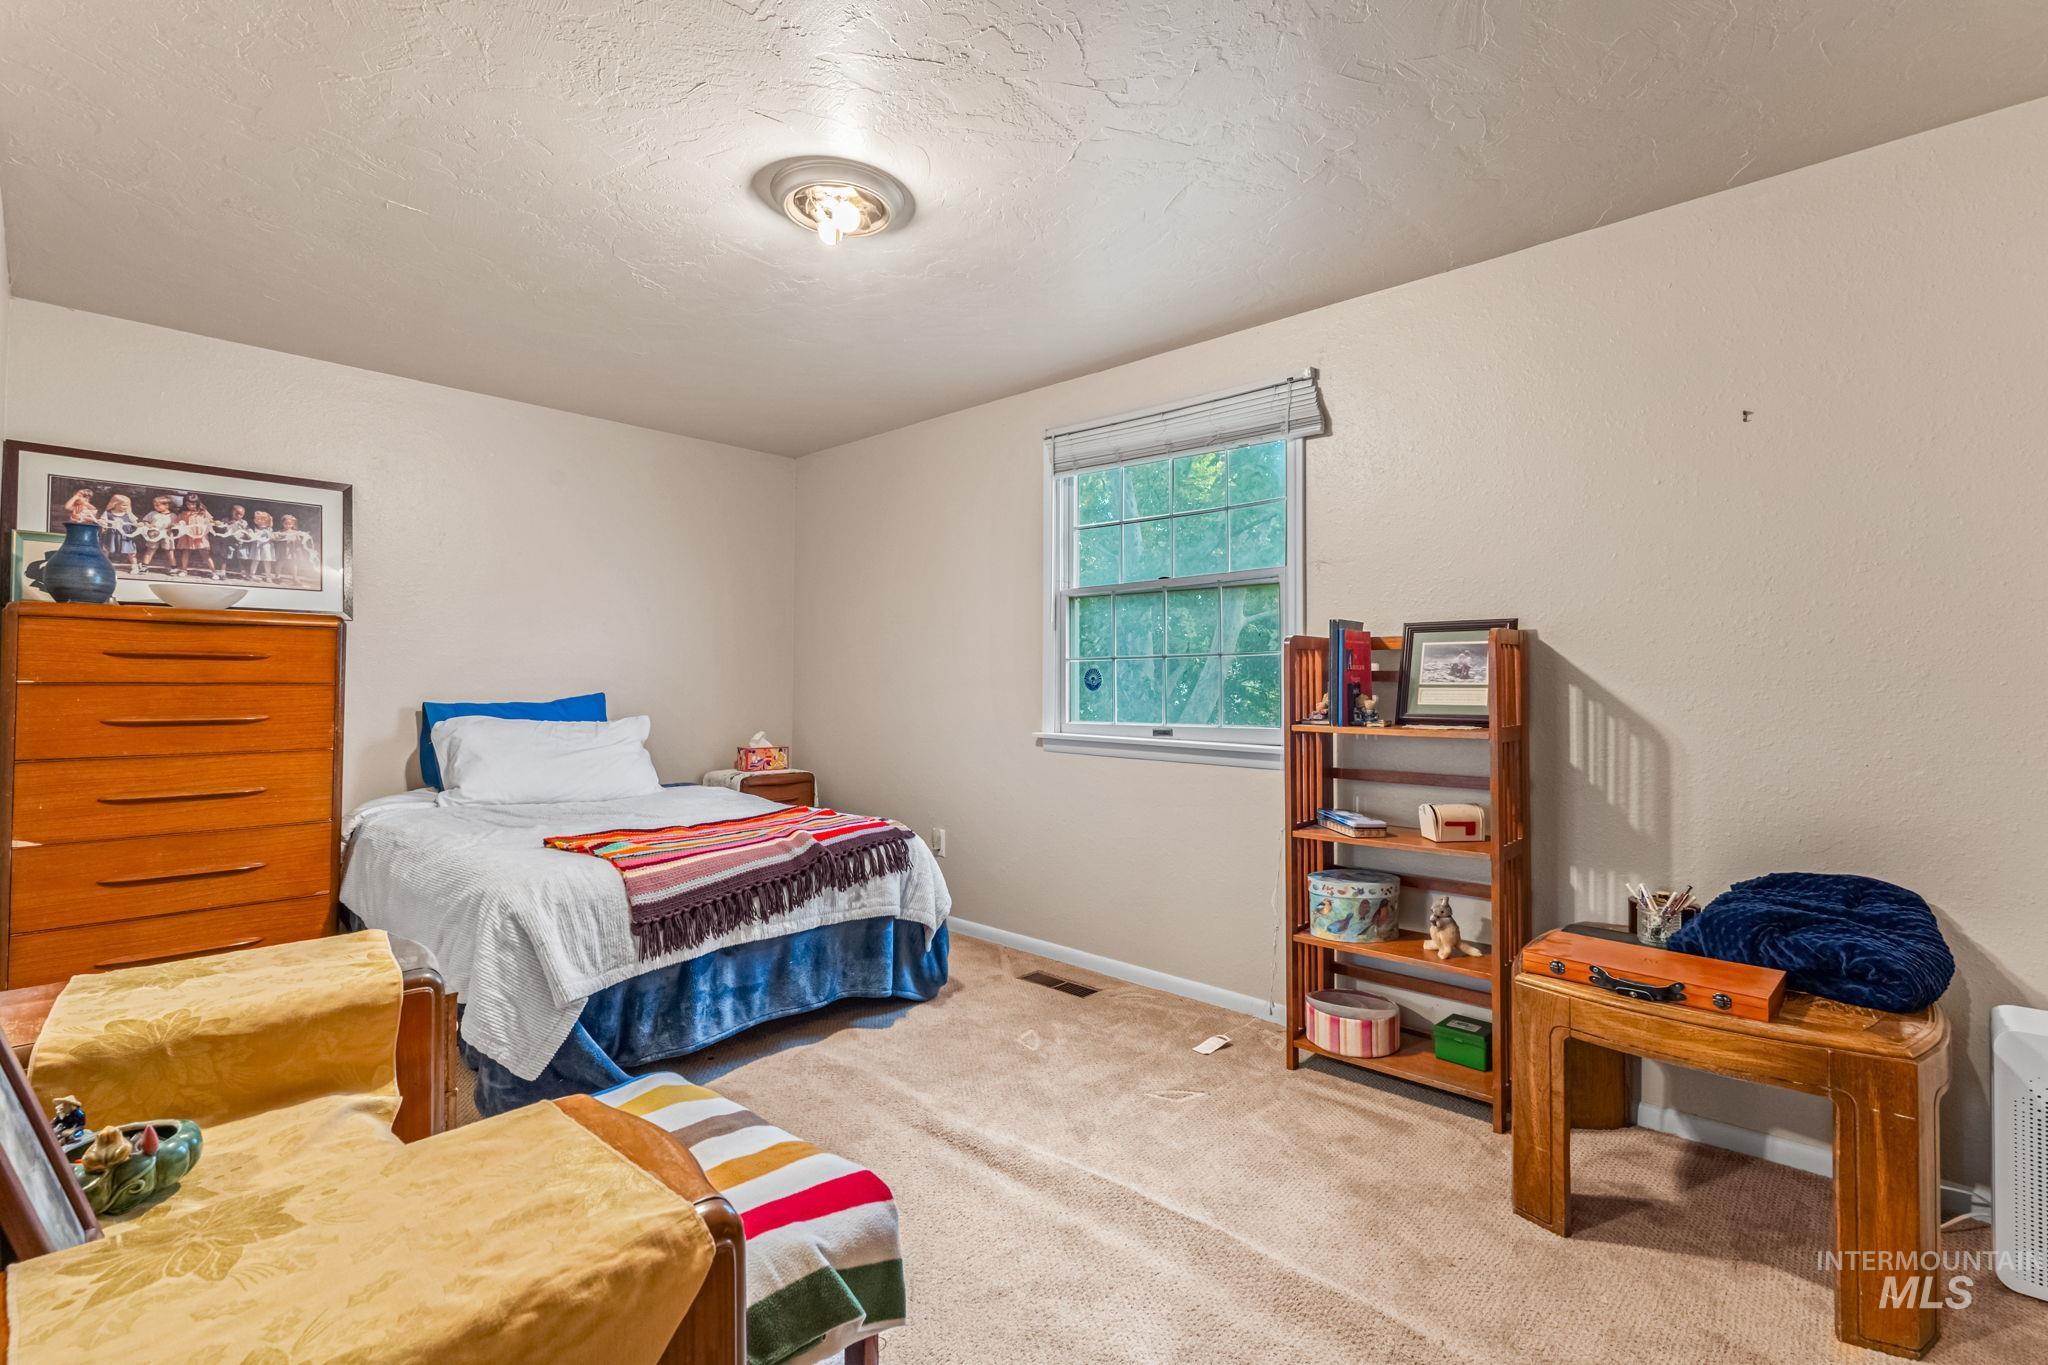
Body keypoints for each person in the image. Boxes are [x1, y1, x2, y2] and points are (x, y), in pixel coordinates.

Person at [175, 494, 216, 578]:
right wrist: (175, 525)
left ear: (197, 503)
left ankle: (214, 572)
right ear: (185, 504)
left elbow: (210, 521)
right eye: (188, 504)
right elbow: (177, 522)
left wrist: (215, 522)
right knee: (186, 552)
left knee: (205, 554)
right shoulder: (182, 513)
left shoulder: (203, 512)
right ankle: (184, 570)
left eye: (193, 504)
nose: (190, 506)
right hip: (187, 536)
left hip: (200, 536)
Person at [137, 495, 177, 575]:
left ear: (167, 505)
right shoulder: (152, 513)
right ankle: (144, 566)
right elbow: (145, 521)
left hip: (167, 535)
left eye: (158, 505)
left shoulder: (173, 515)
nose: (155, 507)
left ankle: (173, 567)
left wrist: (173, 526)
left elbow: (176, 525)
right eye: (154, 505)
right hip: (154, 534)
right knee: (150, 549)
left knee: (169, 551)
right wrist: (148, 525)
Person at [101, 493, 140, 573]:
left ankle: (134, 566)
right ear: (115, 504)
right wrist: (103, 524)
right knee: (106, 550)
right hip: (112, 535)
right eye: (124, 505)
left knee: (131, 551)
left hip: (126, 536)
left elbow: (135, 522)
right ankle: (103, 565)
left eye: (127, 505)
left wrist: (139, 524)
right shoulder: (108, 513)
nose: (126, 507)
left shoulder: (128, 514)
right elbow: (102, 521)